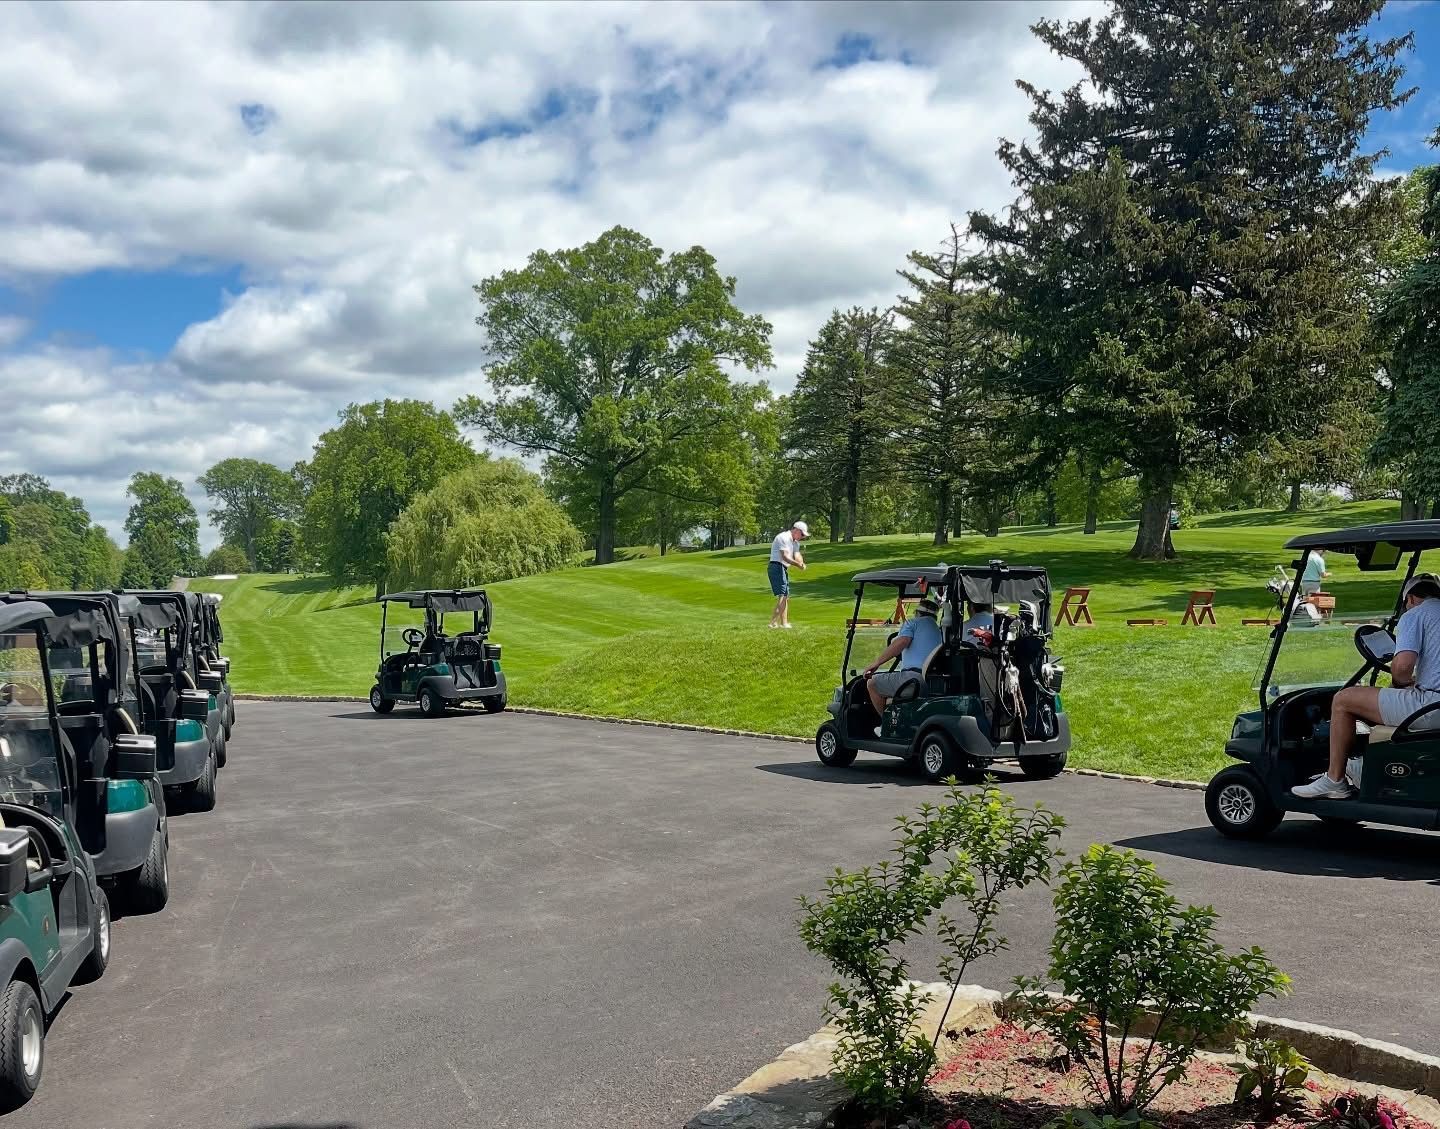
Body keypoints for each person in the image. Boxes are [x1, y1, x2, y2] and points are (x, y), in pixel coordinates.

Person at [1293, 574, 1440, 800]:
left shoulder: (1415, 615)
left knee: (1344, 699)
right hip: (1433, 702)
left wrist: (1402, 682)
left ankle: (1335, 780)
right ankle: (1364, 765)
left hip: (1431, 707)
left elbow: (1402, 668)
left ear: (1410, 598)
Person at [862, 593, 944, 723]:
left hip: (913, 679)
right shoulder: (939, 630)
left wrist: (876, 663)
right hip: (933, 681)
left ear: (917, 613)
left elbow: (902, 642)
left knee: (872, 683)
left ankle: (887, 725)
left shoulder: (912, 623)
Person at [767, 521, 809, 629]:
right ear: (796, 530)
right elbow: (785, 557)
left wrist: (801, 563)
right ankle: (772, 622)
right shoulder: (783, 537)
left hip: (782, 568)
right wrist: (798, 565)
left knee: (785, 596)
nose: (803, 537)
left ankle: (784, 623)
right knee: (782, 595)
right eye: (802, 534)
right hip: (776, 566)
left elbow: (797, 554)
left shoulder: (795, 542)